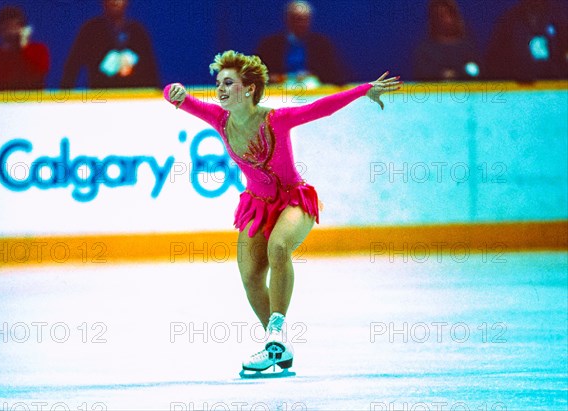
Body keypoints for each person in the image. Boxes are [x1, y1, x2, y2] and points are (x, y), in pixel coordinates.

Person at [164, 50, 401, 374]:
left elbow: (319, 108)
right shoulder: (220, 120)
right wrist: (173, 90)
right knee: (249, 276)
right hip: (257, 205)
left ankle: (275, 332)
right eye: (218, 82)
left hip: (294, 201)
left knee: (278, 247)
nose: (219, 89)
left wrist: (362, 90)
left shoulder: (275, 119)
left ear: (248, 88)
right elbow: (177, 97)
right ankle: (278, 347)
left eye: (228, 82)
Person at [61, 0, 161, 89]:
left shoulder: (138, 32)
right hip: (100, 100)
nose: (115, 1)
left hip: (133, 101)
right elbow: (72, 68)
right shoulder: (90, 30)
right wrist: (64, 101)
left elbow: (151, 72)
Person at [255, 0, 350, 86]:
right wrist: (271, 77)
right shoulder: (270, 45)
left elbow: (336, 74)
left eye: (304, 19)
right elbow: (257, 74)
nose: (300, 23)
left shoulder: (322, 44)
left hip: (313, 90)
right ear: (287, 19)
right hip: (280, 91)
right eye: (296, 18)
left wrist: (313, 75)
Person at [485, 0, 568, 81]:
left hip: (557, 88)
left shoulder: (559, 19)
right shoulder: (508, 22)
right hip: (519, 88)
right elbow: (494, 60)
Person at [0, 6, 50, 93]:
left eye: (16, 25)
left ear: (23, 28)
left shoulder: (39, 50)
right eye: (7, 25)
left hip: (32, 104)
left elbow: (41, 73)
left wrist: (25, 43)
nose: (11, 29)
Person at [413, 0, 481, 81]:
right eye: (440, 16)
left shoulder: (468, 48)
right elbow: (423, 76)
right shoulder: (425, 51)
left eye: (448, 14)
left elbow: (477, 73)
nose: (445, 20)